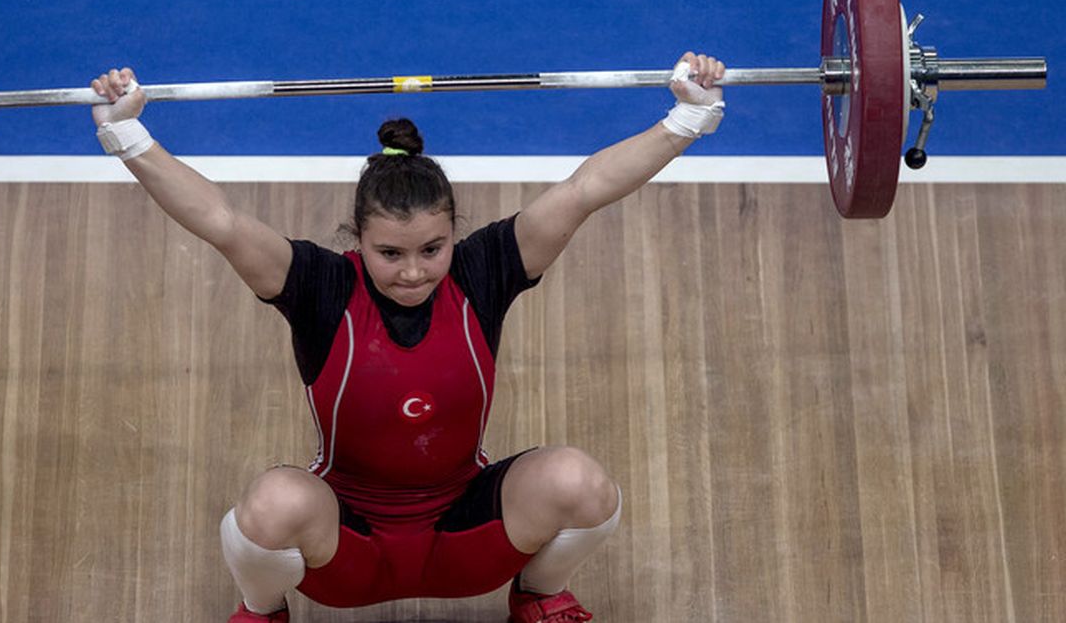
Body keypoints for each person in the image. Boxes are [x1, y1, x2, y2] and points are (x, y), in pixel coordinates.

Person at [90, 52, 726, 622]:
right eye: (390, 253)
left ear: (455, 234)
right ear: (357, 240)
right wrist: (127, 132)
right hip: (348, 550)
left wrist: (685, 122)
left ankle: (538, 595)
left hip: (465, 536)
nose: (415, 271)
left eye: (432, 249)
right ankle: (263, 612)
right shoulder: (319, 288)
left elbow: (584, 190)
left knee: (582, 484)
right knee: (270, 505)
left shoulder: (484, 272)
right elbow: (221, 221)